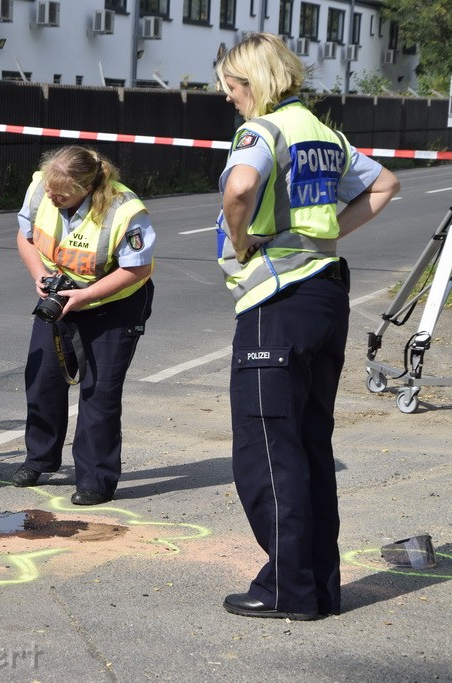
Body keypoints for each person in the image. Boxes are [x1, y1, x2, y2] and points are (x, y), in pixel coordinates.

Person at [214, 33, 400, 620]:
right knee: (310, 446)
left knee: (268, 450)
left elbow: (240, 188)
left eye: (233, 88)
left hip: (277, 301)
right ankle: (319, 586)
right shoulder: (325, 134)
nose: (230, 100)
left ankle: (285, 590)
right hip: (325, 297)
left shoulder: (263, 131)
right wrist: (326, 238)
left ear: (255, 83)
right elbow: (385, 185)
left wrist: (242, 240)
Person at [11, 145, 155, 506]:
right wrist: (41, 276)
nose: (51, 195)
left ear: (87, 188)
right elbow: (25, 238)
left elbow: (137, 268)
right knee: (42, 379)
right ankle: (39, 459)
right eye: (49, 188)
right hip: (60, 298)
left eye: (61, 193)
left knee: (98, 393)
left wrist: (86, 296)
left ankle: (96, 479)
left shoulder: (125, 211)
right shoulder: (40, 189)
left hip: (114, 305)